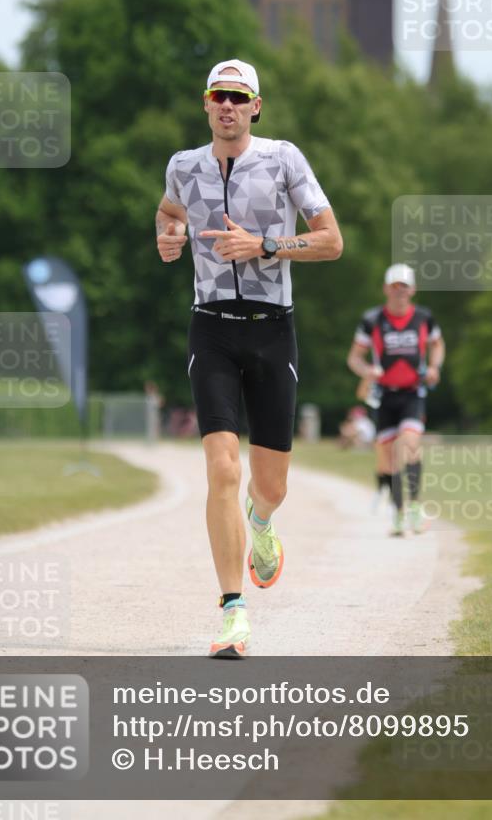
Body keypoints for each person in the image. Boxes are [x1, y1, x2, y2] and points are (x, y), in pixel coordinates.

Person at [156, 58, 342, 657]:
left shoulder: (283, 159)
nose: (228, 106)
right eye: (219, 96)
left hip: (271, 331)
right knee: (222, 472)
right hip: (210, 330)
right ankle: (233, 611)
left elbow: (331, 241)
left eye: (239, 97)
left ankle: (261, 524)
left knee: (269, 485)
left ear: (255, 105)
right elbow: (169, 212)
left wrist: (263, 244)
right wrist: (168, 236)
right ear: (205, 104)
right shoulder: (183, 167)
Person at [346, 264, 445, 536]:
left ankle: (414, 507)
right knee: (387, 459)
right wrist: (368, 371)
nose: (399, 291)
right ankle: (399, 512)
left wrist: (435, 368)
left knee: (411, 444)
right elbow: (354, 358)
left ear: (413, 290)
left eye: (404, 286)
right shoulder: (372, 320)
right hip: (384, 396)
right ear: (386, 288)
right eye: (394, 286)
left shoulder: (424, 318)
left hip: (413, 393)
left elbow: (437, 344)